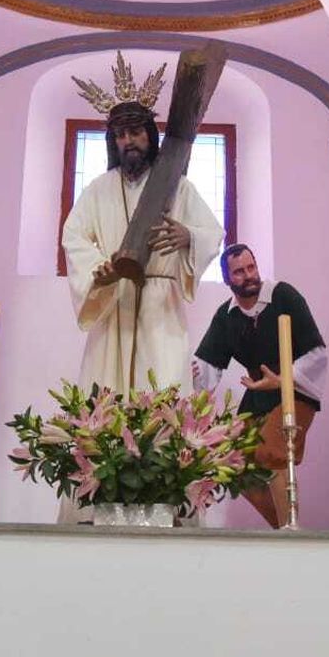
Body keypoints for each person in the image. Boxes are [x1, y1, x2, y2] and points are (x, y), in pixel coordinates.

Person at [61, 53, 224, 398]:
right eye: (120, 135)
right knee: (106, 402)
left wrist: (188, 236)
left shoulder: (177, 187)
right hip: (114, 304)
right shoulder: (98, 190)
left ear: (149, 134)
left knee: (163, 395)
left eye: (135, 132)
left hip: (160, 310)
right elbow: (73, 236)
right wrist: (99, 270)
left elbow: (213, 233)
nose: (128, 141)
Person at [192, 243, 328, 527]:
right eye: (239, 272)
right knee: (232, 462)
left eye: (251, 267)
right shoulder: (226, 316)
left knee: (272, 452)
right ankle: (283, 528)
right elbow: (207, 366)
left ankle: (291, 530)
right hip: (257, 396)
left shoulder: (283, 296)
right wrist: (191, 383)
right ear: (227, 279)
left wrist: (284, 378)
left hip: (295, 390)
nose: (249, 276)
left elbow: (317, 352)